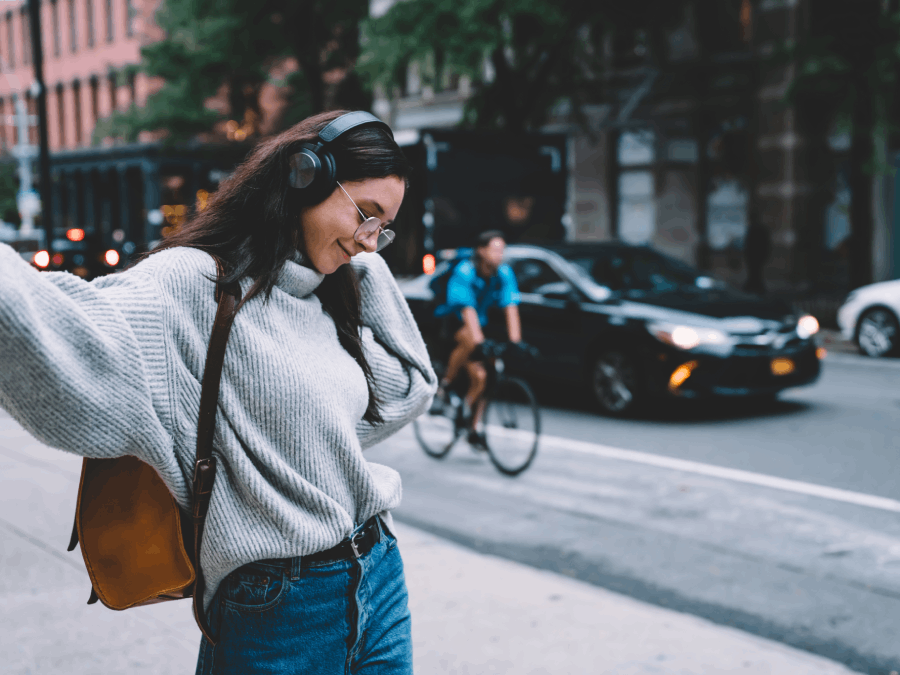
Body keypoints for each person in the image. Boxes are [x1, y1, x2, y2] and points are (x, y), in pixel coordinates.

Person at [0, 110, 437, 674]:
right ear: (304, 176)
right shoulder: (193, 285)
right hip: (280, 608)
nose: (372, 242)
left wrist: (362, 259)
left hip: (377, 574)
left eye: (385, 227)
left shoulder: (329, 292)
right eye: (366, 215)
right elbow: (60, 337)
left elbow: (409, 386)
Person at [432, 230, 521, 448]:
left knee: (484, 378)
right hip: (454, 322)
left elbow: (511, 306)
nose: (500, 254)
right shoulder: (465, 270)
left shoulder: (503, 272)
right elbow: (467, 310)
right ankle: (446, 385)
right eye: (495, 249)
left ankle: (472, 426)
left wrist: (516, 341)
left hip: (479, 324)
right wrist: (481, 343)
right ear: (481, 251)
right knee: (470, 339)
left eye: (502, 250)